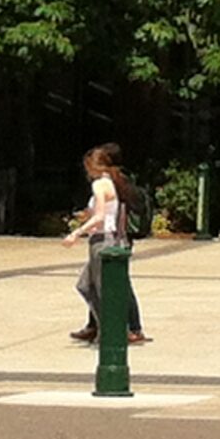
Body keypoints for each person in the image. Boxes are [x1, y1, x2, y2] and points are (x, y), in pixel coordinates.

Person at [61, 142, 149, 346]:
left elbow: (100, 216)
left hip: (103, 240)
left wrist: (76, 233)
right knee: (90, 285)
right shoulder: (112, 182)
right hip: (106, 237)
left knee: (100, 288)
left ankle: (113, 329)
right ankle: (107, 327)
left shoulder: (100, 184)